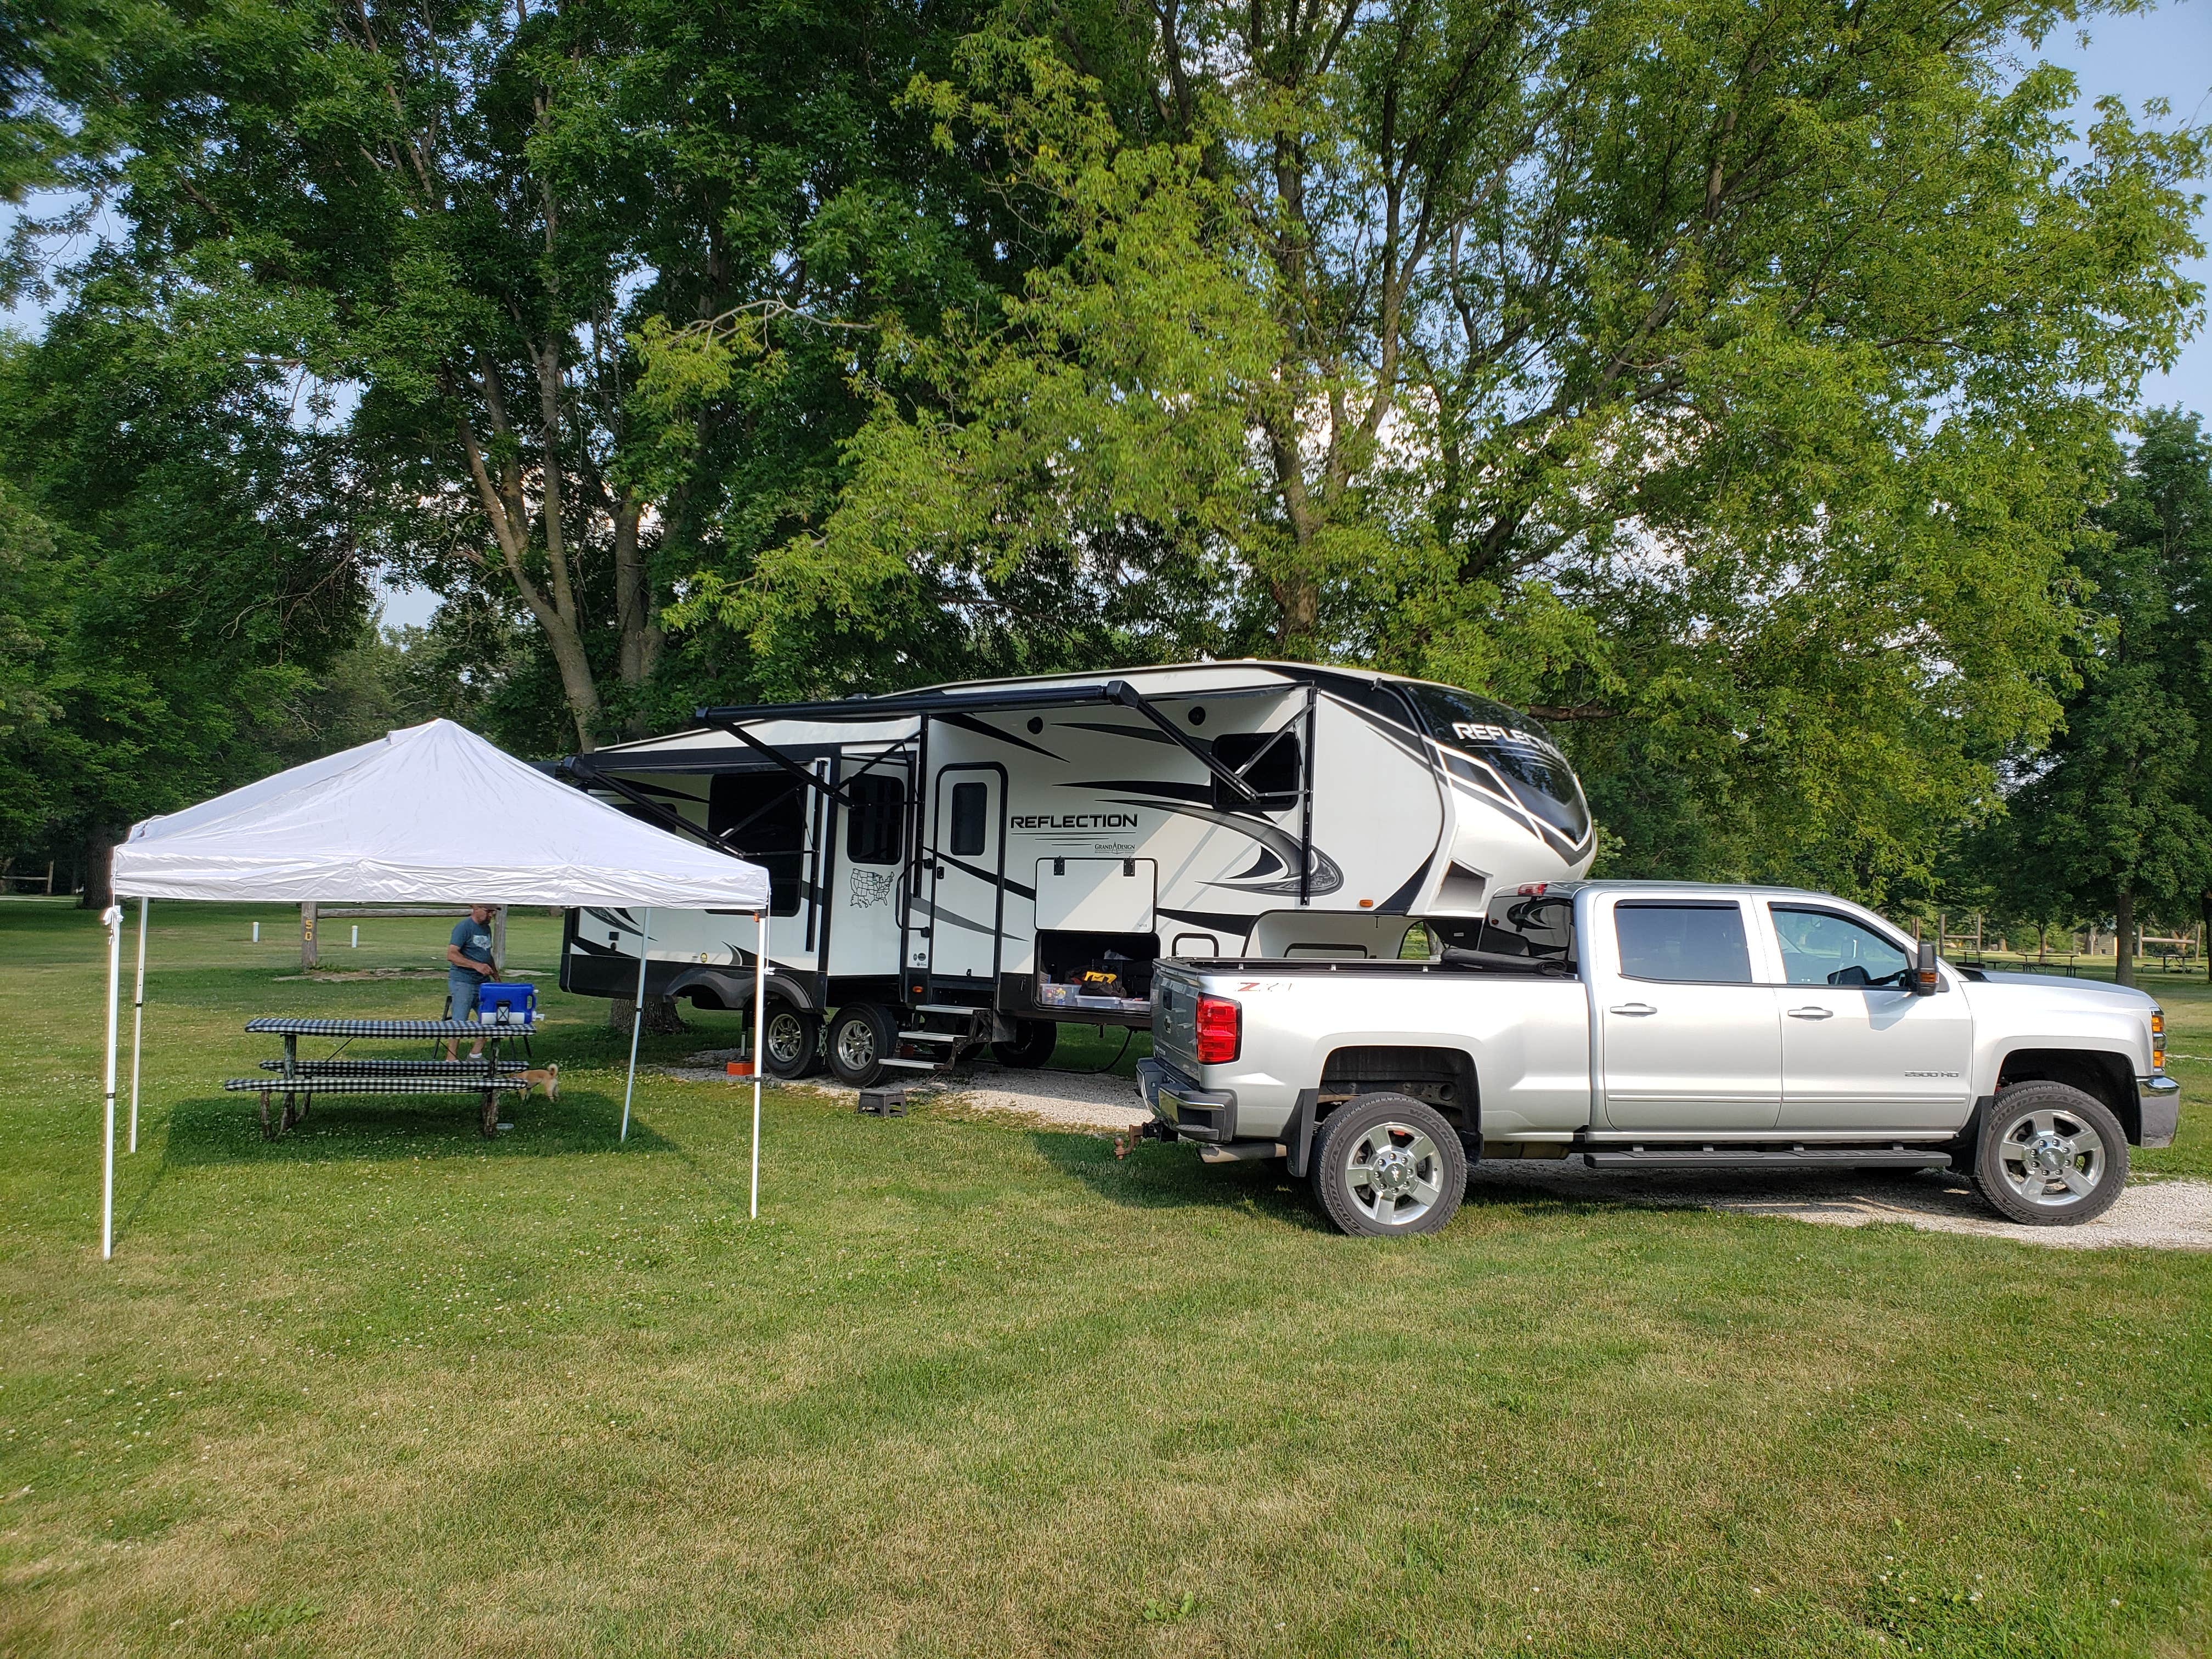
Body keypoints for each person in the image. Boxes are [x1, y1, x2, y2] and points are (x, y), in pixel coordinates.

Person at [445, 904, 496, 1060]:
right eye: (488, 912)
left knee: (492, 1017)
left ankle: (475, 1054)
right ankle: (451, 1058)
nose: (491, 916)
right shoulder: (464, 928)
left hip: (484, 983)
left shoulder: (486, 929)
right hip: (463, 982)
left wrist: (497, 978)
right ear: (476, 909)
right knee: (460, 1022)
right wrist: (476, 965)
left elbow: (487, 955)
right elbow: (452, 955)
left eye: (493, 912)